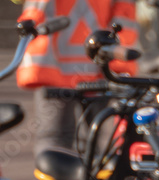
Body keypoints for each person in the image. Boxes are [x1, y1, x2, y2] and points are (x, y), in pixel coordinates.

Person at [16, 0, 140, 156]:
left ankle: (64, 178)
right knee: (90, 143)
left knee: (54, 143)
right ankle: (89, 178)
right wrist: (119, 65)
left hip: (56, 68)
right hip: (97, 69)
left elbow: (34, 17)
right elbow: (124, 17)